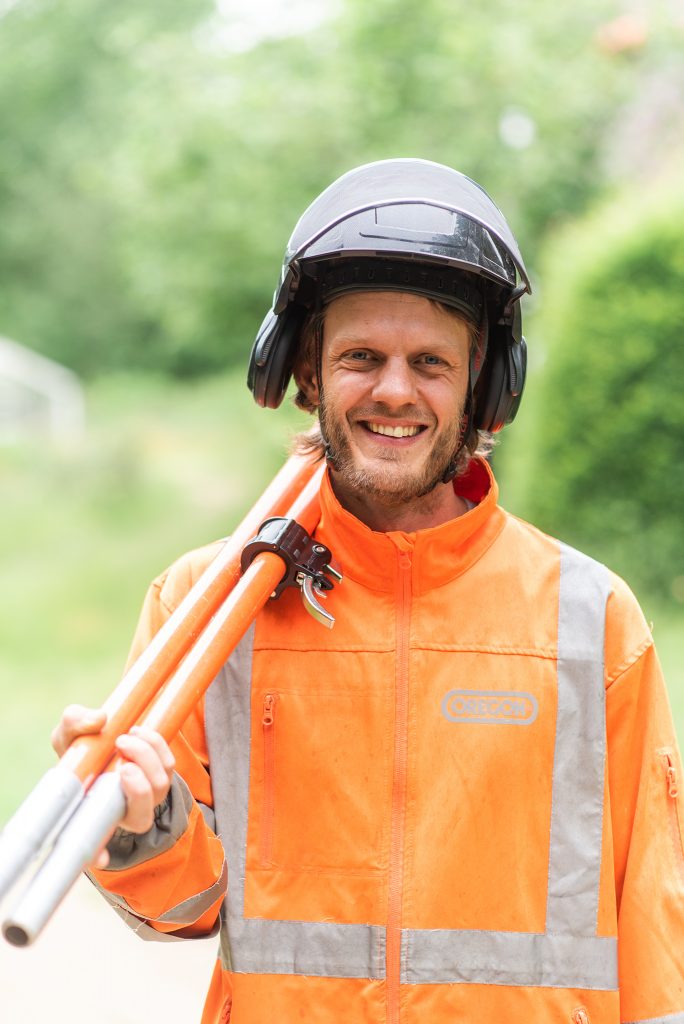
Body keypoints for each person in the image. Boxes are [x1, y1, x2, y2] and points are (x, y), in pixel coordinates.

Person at [53, 159, 684, 1023]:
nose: (395, 390)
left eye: (431, 361)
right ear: (305, 374)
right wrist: (137, 824)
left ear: (485, 387)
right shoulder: (206, 607)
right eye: (360, 357)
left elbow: (657, 938)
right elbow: (183, 911)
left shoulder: (591, 620)